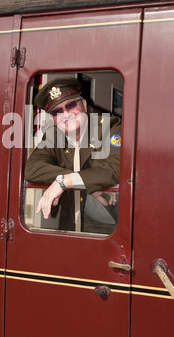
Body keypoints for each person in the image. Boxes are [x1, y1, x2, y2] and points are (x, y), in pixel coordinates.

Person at [25, 77, 121, 233]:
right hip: (72, 223)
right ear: (52, 119)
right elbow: (32, 169)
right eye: (57, 111)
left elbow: (115, 168)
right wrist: (80, 182)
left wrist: (64, 182)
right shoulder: (53, 136)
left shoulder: (110, 126)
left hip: (111, 222)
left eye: (70, 105)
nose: (66, 114)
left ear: (83, 104)